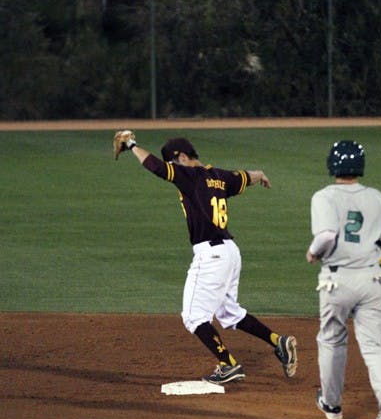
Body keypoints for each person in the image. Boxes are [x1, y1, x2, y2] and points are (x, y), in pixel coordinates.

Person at [113, 131, 297, 384]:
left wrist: (131, 145)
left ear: (183, 157)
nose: (173, 169)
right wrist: (261, 174)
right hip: (230, 252)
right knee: (229, 312)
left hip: (211, 255)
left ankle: (228, 364)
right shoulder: (220, 176)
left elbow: (155, 166)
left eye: (174, 163)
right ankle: (278, 341)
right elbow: (246, 176)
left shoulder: (188, 174)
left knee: (193, 316)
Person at [306, 140, 381, 419]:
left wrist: (313, 252)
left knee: (332, 341)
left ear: (332, 165)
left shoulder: (324, 196)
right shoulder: (376, 197)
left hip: (338, 280)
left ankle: (332, 405)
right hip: (372, 279)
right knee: (373, 345)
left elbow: (327, 234)